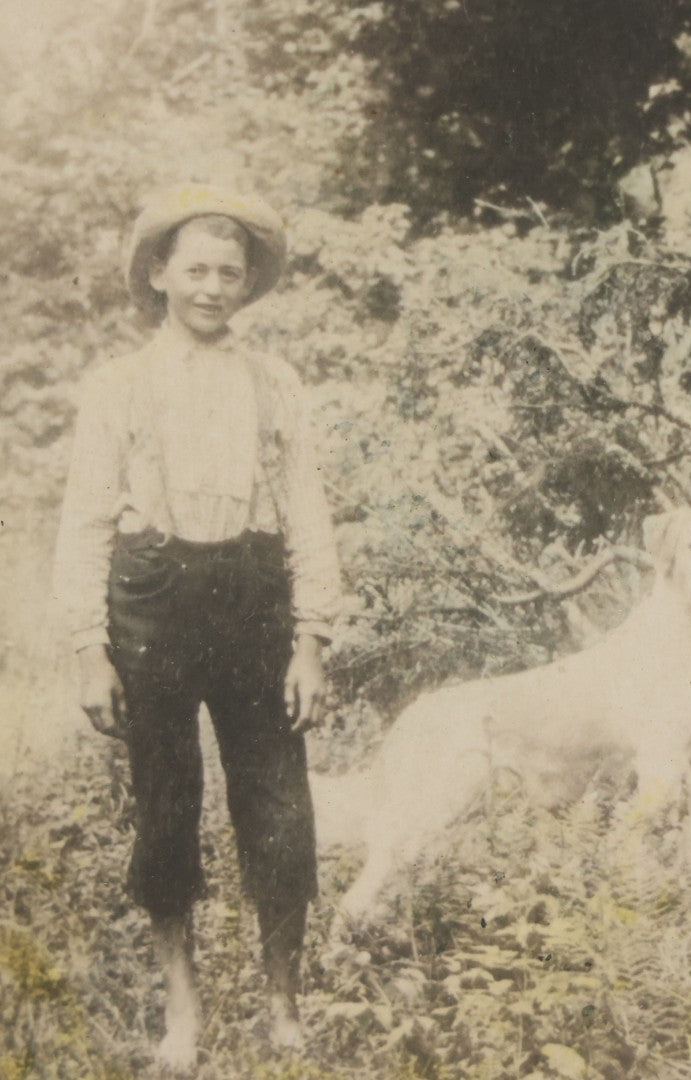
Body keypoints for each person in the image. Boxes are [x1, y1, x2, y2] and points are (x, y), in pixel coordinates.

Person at [52, 184, 343, 1067]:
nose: (214, 287)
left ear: (249, 282)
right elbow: (87, 518)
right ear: (159, 274)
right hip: (153, 603)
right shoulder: (119, 384)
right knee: (166, 805)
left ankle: (283, 1002)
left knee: (278, 807)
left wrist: (311, 640)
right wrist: (86, 651)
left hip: (252, 597)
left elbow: (307, 511)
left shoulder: (274, 381)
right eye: (197, 270)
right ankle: (184, 1008)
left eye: (231, 272)